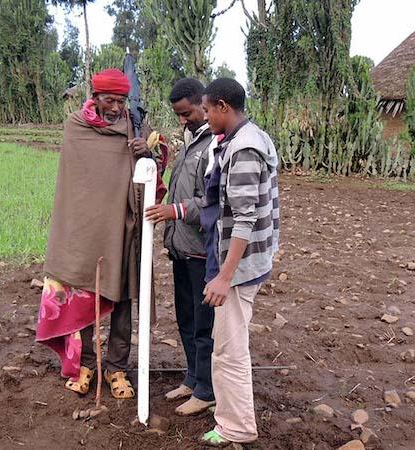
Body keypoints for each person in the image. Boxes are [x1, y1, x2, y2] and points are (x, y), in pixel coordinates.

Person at [36, 68, 164, 400]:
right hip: (82, 228)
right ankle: (86, 364)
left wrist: (147, 155)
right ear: (95, 97)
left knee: (121, 296)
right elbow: (74, 180)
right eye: (109, 100)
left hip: (123, 228)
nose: (116, 108)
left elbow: (157, 172)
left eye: (121, 101)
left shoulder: (138, 128)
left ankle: (116, 367)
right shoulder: (76, 127)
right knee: (82, 292)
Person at [198, 78, 280, 446]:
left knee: (229, 349)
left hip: (240, 266)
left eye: (206, 110)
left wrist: (224, 277)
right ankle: (233, 419)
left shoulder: (244, 149)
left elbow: (244, 218)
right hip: (246, 260)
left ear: (222, 107)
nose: (204, 117)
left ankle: (237, 427)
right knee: (227, 344)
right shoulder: (247, 138)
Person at [145, 78, 217, 416]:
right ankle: (192, 378)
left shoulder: (214, 147)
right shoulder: (191, 142)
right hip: (182, 249)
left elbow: (213, 203)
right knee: (186, 319)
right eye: (178, 115)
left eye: (185, 113)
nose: (181, 120)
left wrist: (173, 211)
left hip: (202, 252)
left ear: (203, 105)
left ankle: (206, 390)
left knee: (204, 326)